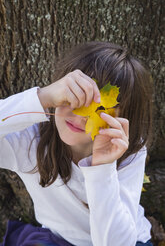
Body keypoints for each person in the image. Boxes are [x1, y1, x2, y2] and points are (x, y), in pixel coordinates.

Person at [0, 42, 153, 246]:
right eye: (76, 99)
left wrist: (103, 168)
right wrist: (42, 97)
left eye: (100, 110)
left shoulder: (128, 150)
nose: (81, 117)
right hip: (60, 240)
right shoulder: (30, 142)